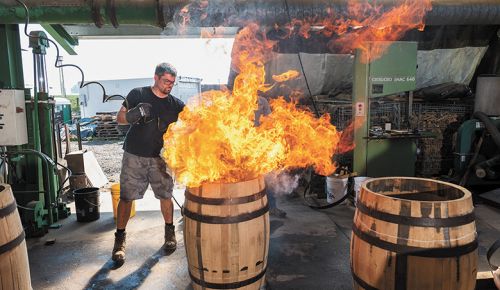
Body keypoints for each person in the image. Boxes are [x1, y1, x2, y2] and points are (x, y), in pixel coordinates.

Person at [112, 63, 185, 264]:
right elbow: (119, 119)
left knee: (166, 196)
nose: (169, 85)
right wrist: (132, 115)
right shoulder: (138, 94)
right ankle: (119, 240)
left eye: (172, 82)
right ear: (156, 77)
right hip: (134, 155)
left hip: (160, 158)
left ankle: (169, 234)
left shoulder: (176, 105)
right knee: (126, 198)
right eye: (165, 81)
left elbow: (189, 127)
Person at [255, 96, 287, 218]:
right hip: (241, 145)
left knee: (270, 177)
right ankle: (246, 207)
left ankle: (272, 207)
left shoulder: (262, 101)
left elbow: (269, 120)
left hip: (261, 144)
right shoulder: (234, 99)